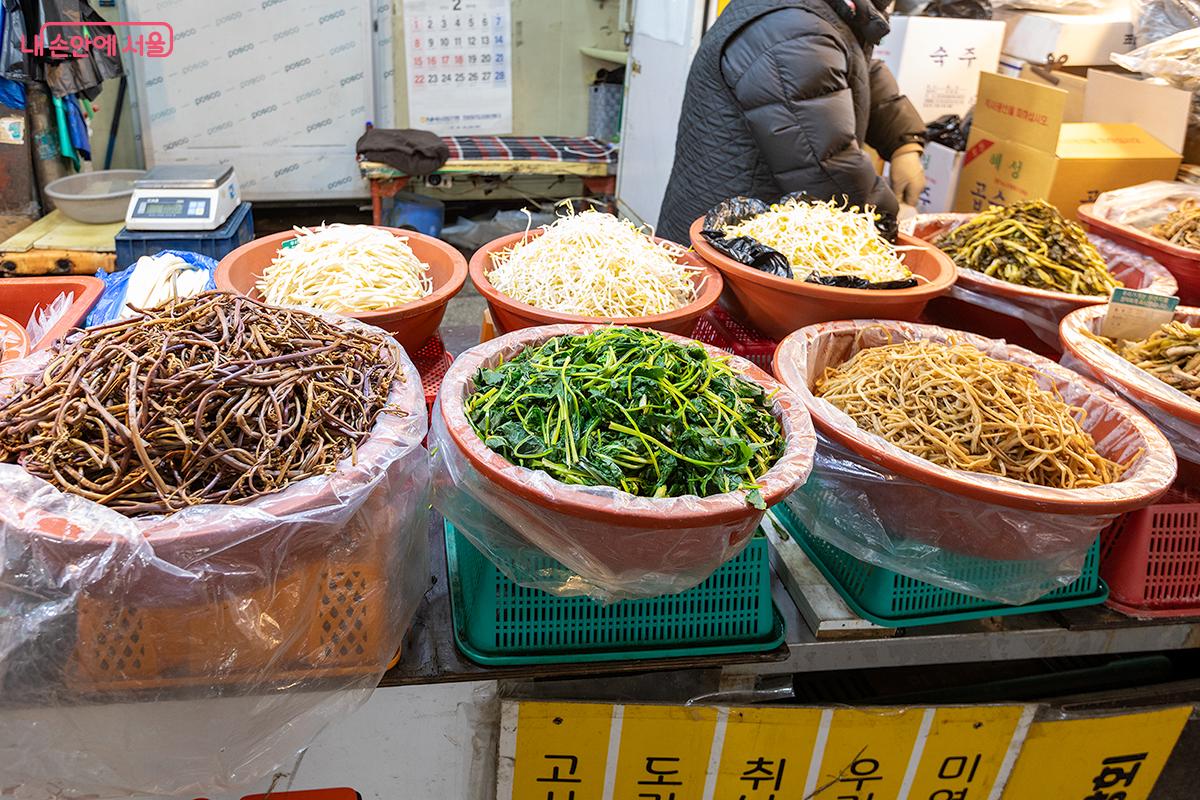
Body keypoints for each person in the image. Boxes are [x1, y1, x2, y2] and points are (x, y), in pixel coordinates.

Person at [656, 0, 927, 244]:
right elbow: (825, 168)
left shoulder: (820, 14)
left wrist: (904, 143)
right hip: (730, 247)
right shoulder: (791, 28)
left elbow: (858, 71)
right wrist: (884, 223)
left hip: (743, 234)